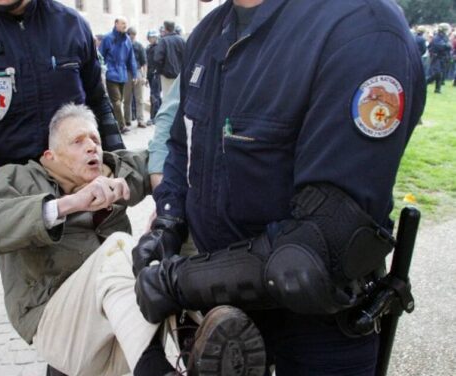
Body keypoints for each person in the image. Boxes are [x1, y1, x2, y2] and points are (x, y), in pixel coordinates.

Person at [133, 0, 426, 375]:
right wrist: (168, 224)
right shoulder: (210, 31)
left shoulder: (360, 26)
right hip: (220, 315)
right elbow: (181, 145)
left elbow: (322, 242)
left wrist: (177, 281)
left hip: (315, 328)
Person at [0, 103, 176, 376]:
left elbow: (165, 157)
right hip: (55, 325)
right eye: (78, 141)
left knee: (168, 260)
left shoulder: (113, 171)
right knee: (120, 246)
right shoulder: (17, 178)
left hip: (113, 331)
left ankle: (202, 338)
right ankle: (154, 369)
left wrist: (165, 206)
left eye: (95, 140)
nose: (91, 147)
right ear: (50, 156)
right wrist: (68, 204)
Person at [0, 0, 124, 190]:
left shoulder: (71, 24)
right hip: (14, 188)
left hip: (81, 181)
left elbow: (98, 100)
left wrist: (120, 162)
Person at [99, 16, 139, 134]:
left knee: (119, 101)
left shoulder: (127, 40)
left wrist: (135, 74)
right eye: (122, 23)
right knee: (116, 102)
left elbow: (131, 58)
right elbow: (100, 55)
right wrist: (102, 71)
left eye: (126, 24)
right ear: (116, 24)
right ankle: (122, 126)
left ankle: (114, 122)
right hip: (111, 74)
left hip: (122, 75)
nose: (124, 26)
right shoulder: (107, 38)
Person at [123, 27, 148, 128]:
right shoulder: (123, 46)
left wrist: (144, 76)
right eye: (130, 34)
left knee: (140, 99)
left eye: (134, 35)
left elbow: (144, 62)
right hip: (126, 72)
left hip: (137, 72)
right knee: (127, 99)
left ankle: (140, 120)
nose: (132, 36)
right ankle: (127, 119)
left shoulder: (139, 46)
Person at [153, 20, 185, 96]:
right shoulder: (182, 40)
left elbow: (157, 59)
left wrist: (159, 71)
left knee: (167, 98)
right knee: (178, 98)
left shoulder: (163, 41)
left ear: (165, 28)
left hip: (167, 75)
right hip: (180, 75)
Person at [427, 23, 452, 93]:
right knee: (437, 73)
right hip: (437, 57)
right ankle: (425, 83)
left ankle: (437, 89)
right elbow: (439, 46)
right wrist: (447, 46)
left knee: (440, 74)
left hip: (443, 58)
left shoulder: (444, 37)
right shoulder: (437, 37)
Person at [146, 30, 162, 125]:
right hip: (151, 75)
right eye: (151, 38)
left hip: (156, 74)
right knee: (156, 96)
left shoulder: (157, 48)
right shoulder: (149, 48)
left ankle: (154, 117)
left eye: (154, 38)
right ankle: (158, 116)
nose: (152, 39)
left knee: (155, 96)